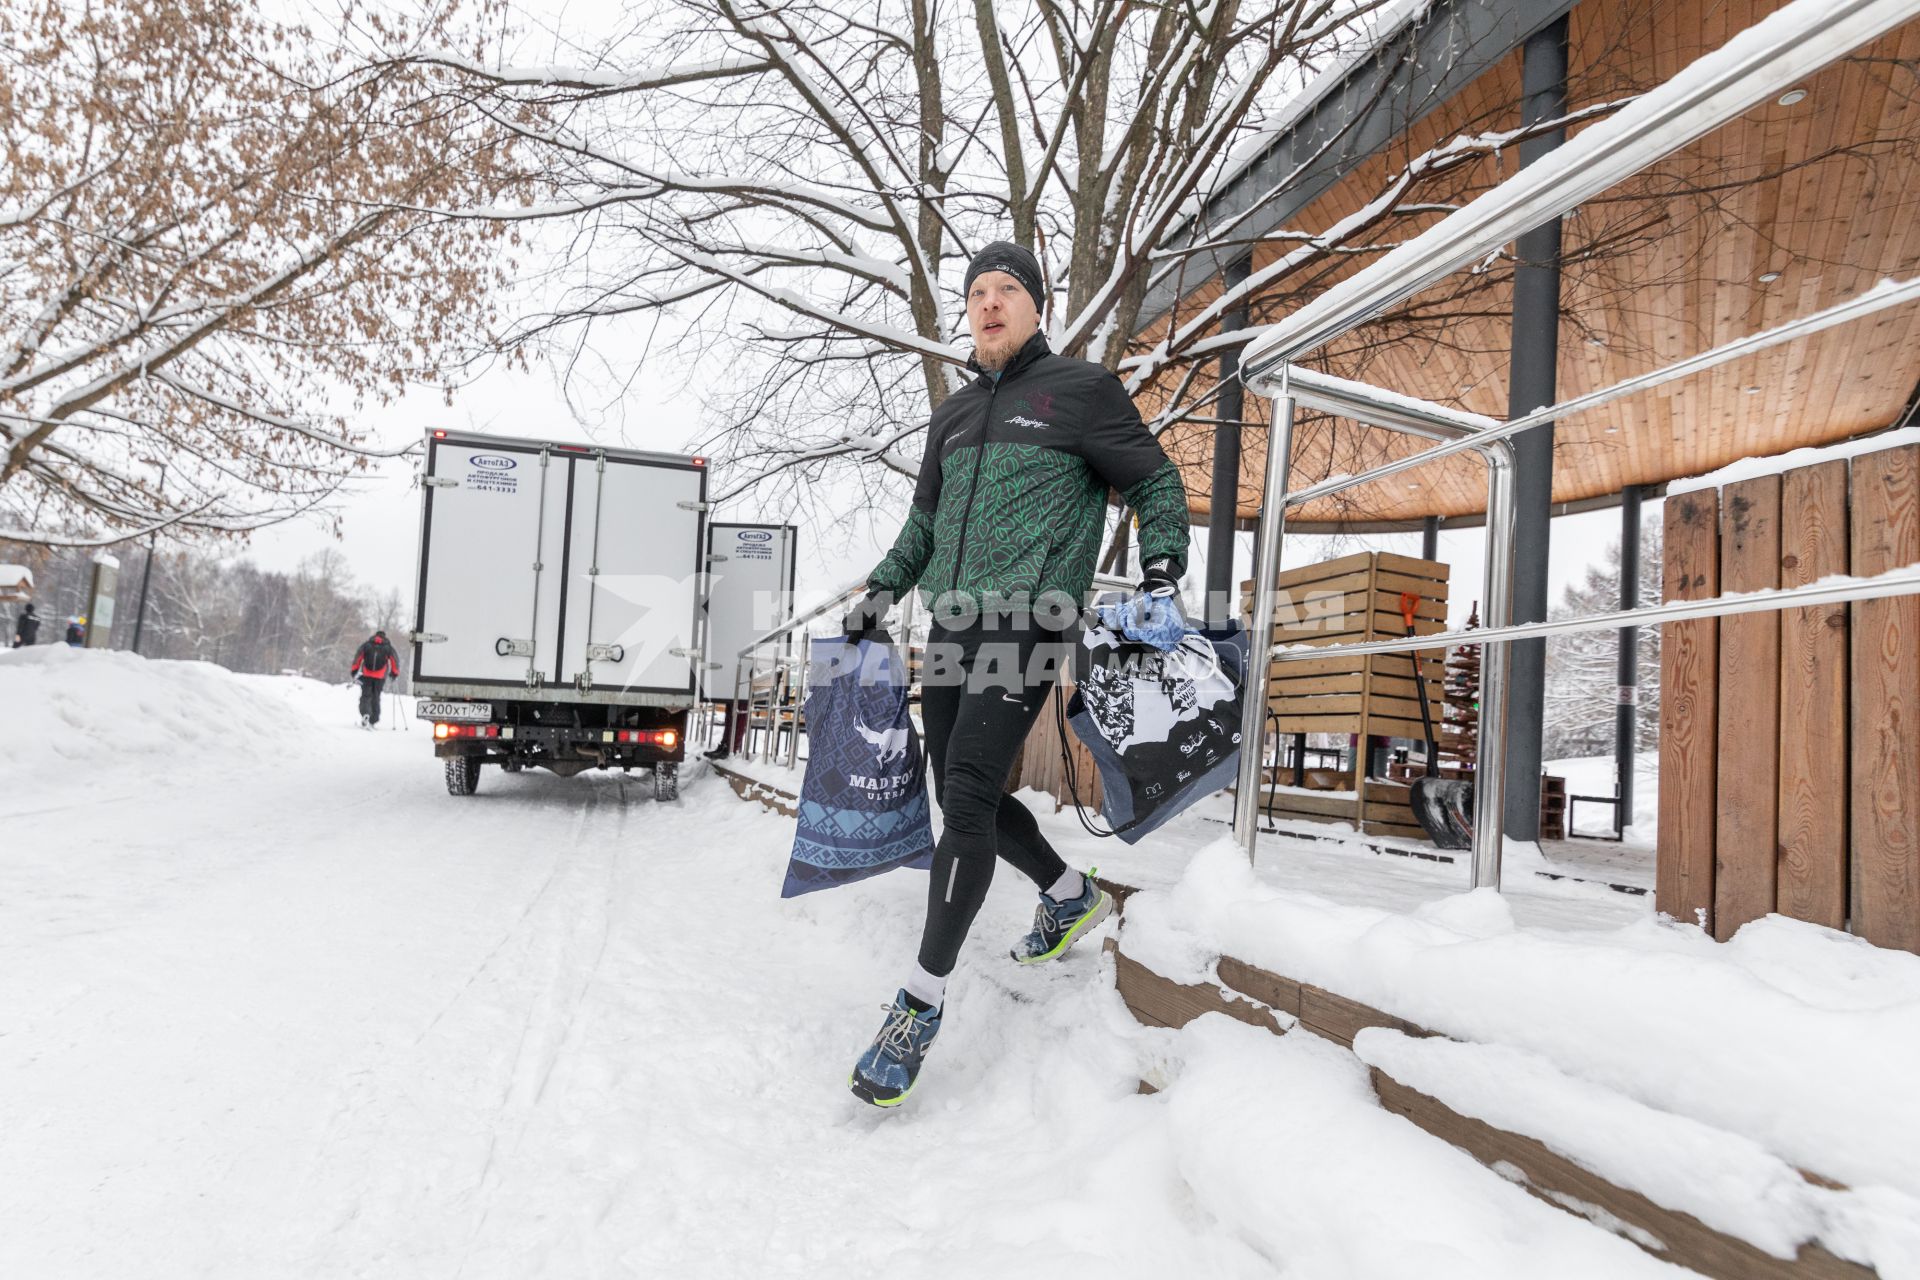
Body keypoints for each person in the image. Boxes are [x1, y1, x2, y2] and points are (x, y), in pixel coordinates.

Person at [842, 240, 1191, 1107]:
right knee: (962, 792)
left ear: (1037, 307)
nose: (988, 304)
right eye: (976, 294)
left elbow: (1156, 481)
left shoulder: (1081, 392)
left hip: (1030, 620)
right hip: (955, 623)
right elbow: (921, 528)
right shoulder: (953, 416)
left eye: (1006, 291)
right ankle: (1068, 893)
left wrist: (1161, 570)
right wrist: (881, 591)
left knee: (963, 794)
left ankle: (917, 1007)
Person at [350, 630, 400, 727]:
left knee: (365, 696)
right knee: (376, 697)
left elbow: (358, 657)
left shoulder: (367, 645)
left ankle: (365, 713)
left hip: (367, 675)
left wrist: (354, 670)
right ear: (384, 637)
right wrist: (394, 673)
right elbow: (394, 660)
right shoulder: (387, 647)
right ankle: (373, 720)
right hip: (380, 676)